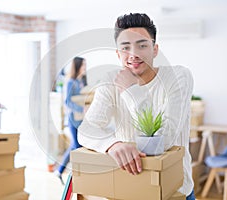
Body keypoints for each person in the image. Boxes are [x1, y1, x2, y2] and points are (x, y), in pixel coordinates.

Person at [78, 13, 195, 199]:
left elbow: (162, 140)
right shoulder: (110, 80)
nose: (133, 54)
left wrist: (131, 90)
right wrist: (112, 144)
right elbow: (86, 130)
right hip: (129, 188)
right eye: (125, 47)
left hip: (174, 191)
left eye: (142, 45)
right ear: (118, 54)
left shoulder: (178, 76)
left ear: (155, 49)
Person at [55, 56, 87, 184]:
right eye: (83, 65)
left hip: (80, 119)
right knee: (76, 145)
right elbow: (67, 101)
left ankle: (60, 171)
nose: (85, 67)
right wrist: (81, 109)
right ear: (78, 66)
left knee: (76, 145)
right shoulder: (70, 82)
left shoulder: (81, 82)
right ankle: (73, 174)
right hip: (73, 119)